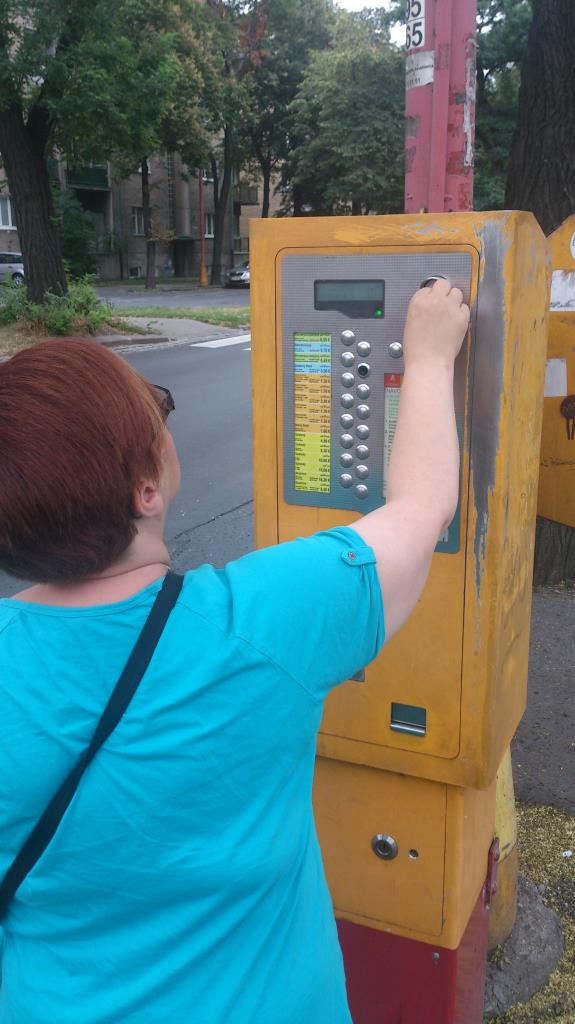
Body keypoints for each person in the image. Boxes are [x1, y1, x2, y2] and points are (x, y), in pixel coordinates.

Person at [0, 280, 469, 1024]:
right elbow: (421, 506)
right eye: (159, 407)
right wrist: (432, 353)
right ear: (146, 488)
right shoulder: (262, 621)